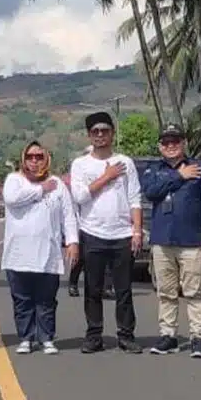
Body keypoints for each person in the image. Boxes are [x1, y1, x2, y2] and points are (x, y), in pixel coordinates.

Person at [141, 124, 201, 358]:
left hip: (191, 241)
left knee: (194, 292)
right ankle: (169, 336)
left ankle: (198, 337)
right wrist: (179, 176)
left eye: (175, 141)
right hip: (162, 241)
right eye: (166, 142)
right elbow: (151, 192)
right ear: (160, 146)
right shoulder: (154, 169)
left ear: (183, 143)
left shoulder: (199, 168)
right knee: (166, 292)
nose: (171, 145)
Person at [69, 112, 144, 354]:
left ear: (112, 133)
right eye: (95, 132)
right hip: (92, 233)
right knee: (93, 288)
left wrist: (137, 230)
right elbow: (79, 196)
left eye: (104, 130)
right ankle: (94, 335)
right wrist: (106, 176)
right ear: (89, 135)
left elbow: (134, 198)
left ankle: (126, 335)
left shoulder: (126, 162)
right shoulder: (80, 164)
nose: (100, 135)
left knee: (123, 290)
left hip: (122, 234)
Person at [1, 142, 79, 354]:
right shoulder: (13, 180)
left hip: (48, 254)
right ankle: (26, 337)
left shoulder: (57, 184)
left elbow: (68, 215)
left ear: (46, 159)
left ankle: (46, 338)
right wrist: (40, 190)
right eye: (30, 157)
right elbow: (12, 199)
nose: (34, 161)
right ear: (23, 159)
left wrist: (72, 241)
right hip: (18, 254)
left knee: (46, 300)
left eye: (39, 157)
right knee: (22, 299)